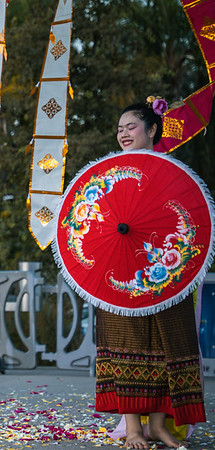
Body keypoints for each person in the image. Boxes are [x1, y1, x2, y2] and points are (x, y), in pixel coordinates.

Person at [95, 97, 205, 449]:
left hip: (164, 271)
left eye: (131, 127)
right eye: (119, 129)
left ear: (153, 130)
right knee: (124, 343)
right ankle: (132, 430)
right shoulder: (108, 174)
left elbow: (189, 222)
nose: (123, 134)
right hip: (121, 272)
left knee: (167, 343)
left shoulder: (175, 175)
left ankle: (159, 426)